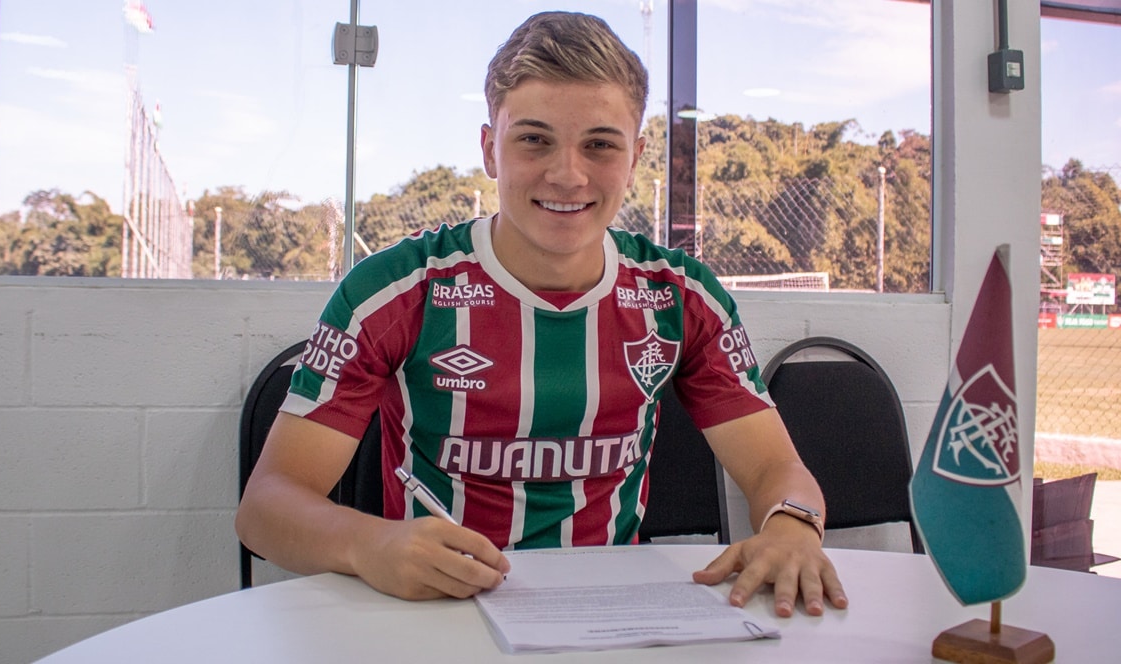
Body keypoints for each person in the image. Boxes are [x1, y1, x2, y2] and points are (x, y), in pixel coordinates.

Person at [235, 10, 847, 618]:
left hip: (615, 619)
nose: (567, 174)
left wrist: (794, 527)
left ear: (634, 157)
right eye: (534, 139)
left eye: (599, 145)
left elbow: (776, 468)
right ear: (489, 150)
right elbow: (266, 507)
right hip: (436, 615)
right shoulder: (396, 290)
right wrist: (368, 543)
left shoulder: (682, 296)